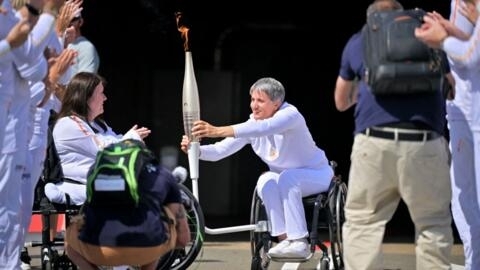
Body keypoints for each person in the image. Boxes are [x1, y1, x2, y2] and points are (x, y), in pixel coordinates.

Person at [334, 0, 454, 269]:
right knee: (432, 222)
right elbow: (451, 87)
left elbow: (340, 101)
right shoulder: (426, 35)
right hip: (425, 143)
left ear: (371, 21)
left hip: (374, 142)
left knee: (364, 222)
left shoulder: (359, 40)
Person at [180, 77, 333, 259]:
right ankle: (284, 239)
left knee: (287, 177)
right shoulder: (252, 124)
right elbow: (220, 150)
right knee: (265, 180)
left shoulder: (291, 115)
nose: (254, 105)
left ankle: (299, 241)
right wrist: (195, 150)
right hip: (286, 178)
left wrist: (215, 130)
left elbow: (266, 128)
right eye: (252, 99)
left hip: (317, 174)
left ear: (276, 103)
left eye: (260, 100)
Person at [415, 1, 480, 269]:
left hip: (473, 113)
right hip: (464, 112)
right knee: (463, 198)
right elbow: (473, 47)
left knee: (468, 199)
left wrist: (442, 40)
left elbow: (470, 58)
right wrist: (451, 31)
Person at [64, 140, 191, 270]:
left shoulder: (96, 170)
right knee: (158, 220)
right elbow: (183, 239)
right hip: (148, 248)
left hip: (98, 249)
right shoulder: (163, 174)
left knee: (70, 243)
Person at [64, 9, 100, 74]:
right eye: (65, 19)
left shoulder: (87, 47)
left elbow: (85, 82)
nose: (68, 22)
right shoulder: (54, 43)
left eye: (72, 19)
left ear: (80, 22)